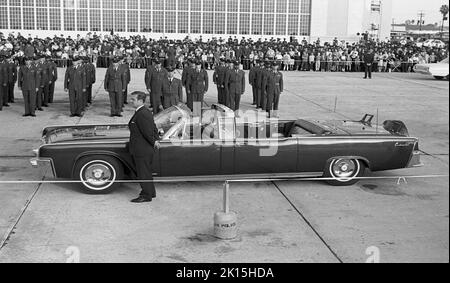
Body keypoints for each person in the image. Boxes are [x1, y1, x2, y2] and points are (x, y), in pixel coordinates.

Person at [128, 91, 160, 204]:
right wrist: (155, 139)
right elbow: (154, 127)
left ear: (140, 101)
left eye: (133, 99)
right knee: (146, 172)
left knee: (143, 173)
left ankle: (146, 195)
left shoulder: (142, 113)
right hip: (142, 148)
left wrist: (154, 141)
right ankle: (151, 192)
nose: (131, 101)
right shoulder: (143, 112)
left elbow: (147, 132)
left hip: (142, 149)